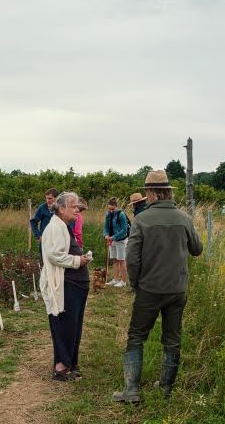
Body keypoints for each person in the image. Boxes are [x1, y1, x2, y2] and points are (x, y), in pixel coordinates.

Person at [113, 170, 205, 403]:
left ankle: (131, 390)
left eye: (148, 193)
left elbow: (132, 259)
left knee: (136, 336)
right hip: (177, 288)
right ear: (168, 193)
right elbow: (197, 249)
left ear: (152, 194)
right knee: (172, 338)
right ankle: (165, 389)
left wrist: (135, 283)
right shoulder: (184, 218)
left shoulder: (142, 220)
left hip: (149, 289)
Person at [37, 191, 91, 381]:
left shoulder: (63, 226)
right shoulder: (54, 227)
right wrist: (78, 261)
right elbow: (55, 255)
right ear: (61, 209)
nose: (77, 210)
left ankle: (69, 364)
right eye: (74, 206)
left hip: (74, 285)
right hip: (64, 286)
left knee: (73, 325)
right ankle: (61, 367)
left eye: (78, 206)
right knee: (64, 325)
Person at [103, 198, 130, 287]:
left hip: (121, 240)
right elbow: (106, 227)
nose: (111, 211)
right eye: (109, 209)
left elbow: (124, 230)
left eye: (112, 209)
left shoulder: (121, 215)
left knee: (121, 260)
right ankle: (115, 279)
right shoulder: (108, 214)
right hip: (112, 239)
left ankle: (123, 281)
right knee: (114, 259)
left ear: (117, 207)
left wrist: (113, 237)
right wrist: (106, 235)